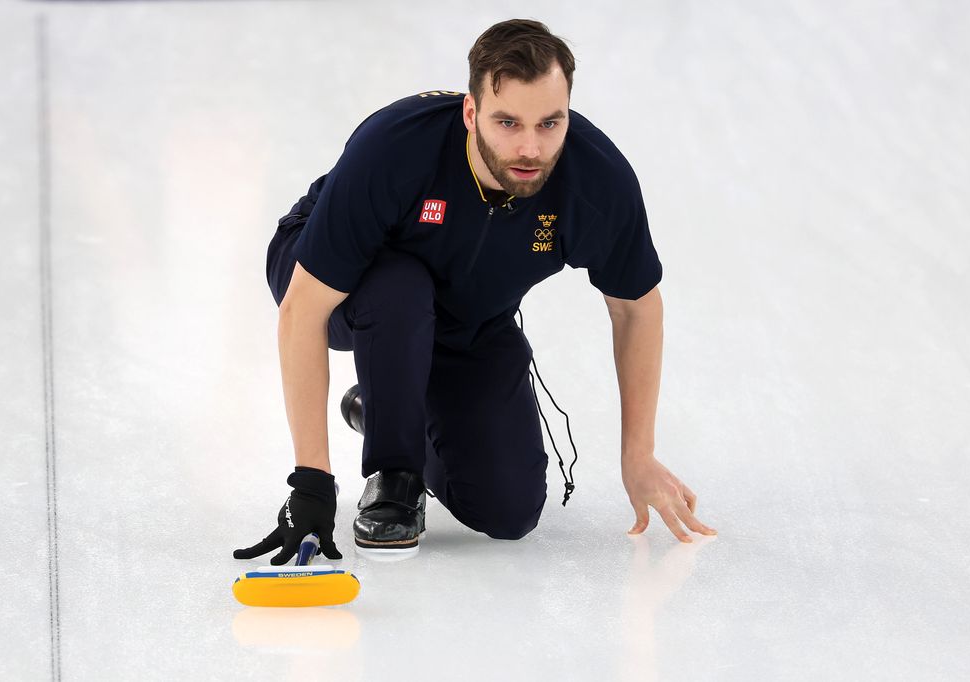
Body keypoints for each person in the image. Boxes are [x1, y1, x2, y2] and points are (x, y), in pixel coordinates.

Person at [234, 18, 717, 565]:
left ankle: (385, 405)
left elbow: (636, 309)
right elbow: (303, 310)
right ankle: (394, 475)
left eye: (549, 123)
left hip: (468, 313)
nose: (530, 147)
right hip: (337, 278)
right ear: (471, 113)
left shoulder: (596, 181)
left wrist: (639, 454)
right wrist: (313, 485)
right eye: (507, 122)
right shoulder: (395, 148)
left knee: (509, 510)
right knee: (400, 286)